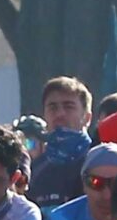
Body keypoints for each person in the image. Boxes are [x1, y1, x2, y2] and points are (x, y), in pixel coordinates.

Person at [31, 76, 94, 209]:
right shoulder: (34, 170)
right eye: (53, 107)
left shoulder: (99, 164)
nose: (60, 114)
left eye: (68, 107)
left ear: (87, 118)